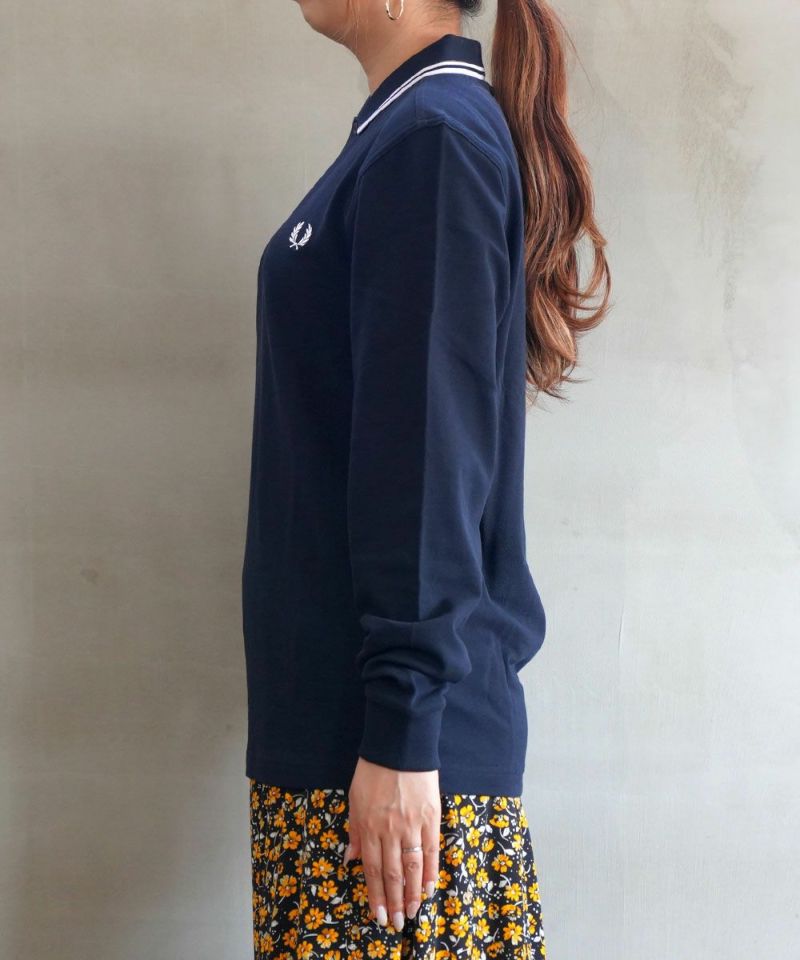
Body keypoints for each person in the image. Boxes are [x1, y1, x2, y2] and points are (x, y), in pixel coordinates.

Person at [242, 0, 610, 957]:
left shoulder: (432, 138)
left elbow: (426, 456)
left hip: (392, 761)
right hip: (353, 745)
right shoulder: (406, 131)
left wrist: (403, 730)